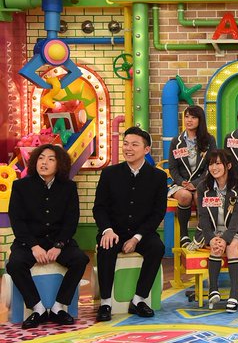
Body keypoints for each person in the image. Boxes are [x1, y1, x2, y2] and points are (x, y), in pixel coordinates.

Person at [7, 144, 89, 329]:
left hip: (58, 242)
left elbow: (71, 220)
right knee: (15, 264)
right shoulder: (21, 186)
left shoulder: (68, 187)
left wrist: (59, 245)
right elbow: (17, 220)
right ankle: (38, 308)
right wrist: (33, 246)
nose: (44, 162)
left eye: (51, 159)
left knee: (80, 260)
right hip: (29, 242)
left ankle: (59, 307)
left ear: (60, 164)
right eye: (41, 158)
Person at [93, 127, 167, 321]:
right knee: (106, 246)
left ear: (146, 149)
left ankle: (139, 299)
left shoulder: (158, 177)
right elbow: (99, 208)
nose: (128, 148)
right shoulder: (109, 174)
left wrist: (136, 238)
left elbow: (157, 213)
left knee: (157, 248)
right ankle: (105, 302)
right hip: (114, 230)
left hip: (142, 233)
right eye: (125, 144)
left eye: (134, 145)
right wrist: (107, 230)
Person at [195, 150, 238, 312]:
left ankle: (235, 293)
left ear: (228, 165)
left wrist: (225, 238)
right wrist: (211, 238)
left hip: (233, 229)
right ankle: (213, 289)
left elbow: (237, 215)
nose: (214, 167)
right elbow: (203, 216)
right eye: (211, 164)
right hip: (210, 230)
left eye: (218, 163)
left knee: (231, 247)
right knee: (215, 246)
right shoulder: (202, 187)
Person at [167, 105, 217, 248]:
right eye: (187, 117)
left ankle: (202, 234)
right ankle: (184, 234)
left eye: (193, 117)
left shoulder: (209, 140)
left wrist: (195, 183)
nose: (189, 120)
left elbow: (212, 166)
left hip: (202, 182)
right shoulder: (176, 141)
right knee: (185, 196)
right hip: (180, 184)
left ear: (200, 120)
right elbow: (173, 168)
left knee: (199, 195)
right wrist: (182, 182)